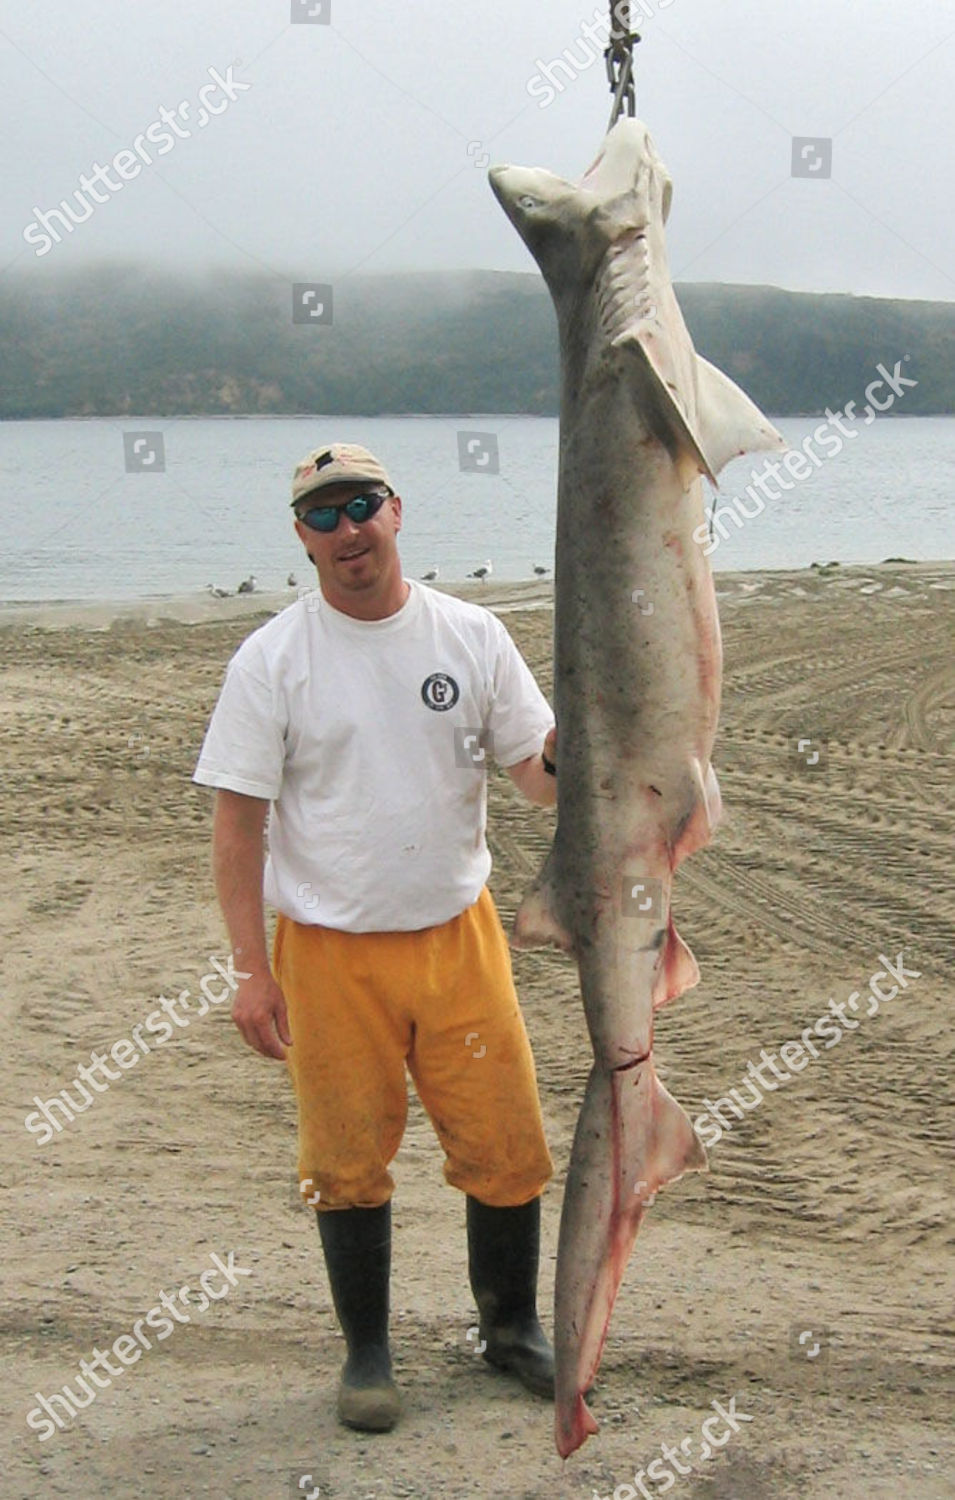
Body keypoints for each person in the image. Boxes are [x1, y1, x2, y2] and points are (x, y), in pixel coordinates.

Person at [192, 441, 560, 1434]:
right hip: (326, 951)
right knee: (345, 1158)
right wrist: (249, 973)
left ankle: (512, 1328)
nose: (346, 529)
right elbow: (237, 827)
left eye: (360, 505)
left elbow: (535, 776)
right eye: (322, 515)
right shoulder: (272, 660)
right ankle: (366, 1352)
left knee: (508, 1141)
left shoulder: (472, 636)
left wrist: (587, 748)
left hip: (458, 934)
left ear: (397, 512)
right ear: (303, 540)